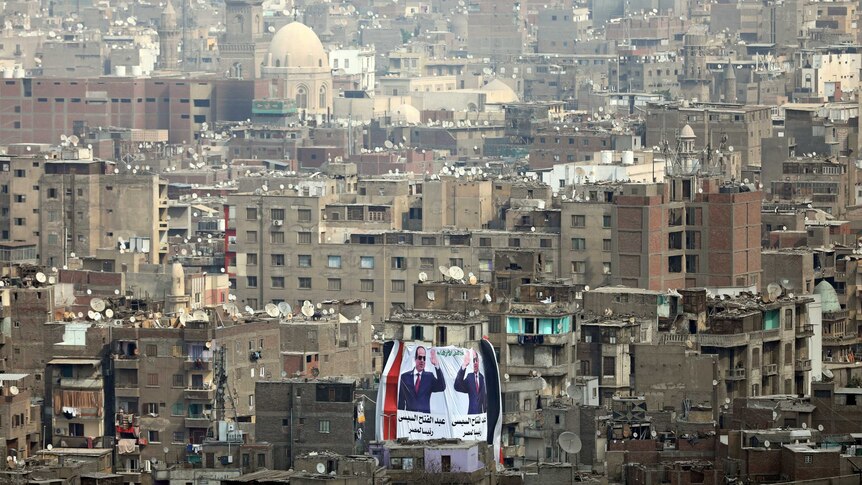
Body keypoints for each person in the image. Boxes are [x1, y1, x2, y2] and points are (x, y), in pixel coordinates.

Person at [398, 346, 446, 413]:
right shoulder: (405, 377)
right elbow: (401, 401)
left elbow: (442, 387)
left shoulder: (429, 377)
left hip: (425, 419)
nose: (422, 361)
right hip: (409, 419)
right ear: (415, 359)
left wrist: (436, 365)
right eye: (420, 357)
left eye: (424, 358)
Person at [454, 349, 486, 414]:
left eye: (476, 360)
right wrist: (464, 365)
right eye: (473, 361)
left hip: (482, 416)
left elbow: (485, 398)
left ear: (479, 361)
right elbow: (457, 386)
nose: (475, 363)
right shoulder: (469, 377)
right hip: (471, 415)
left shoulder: (482, 378)